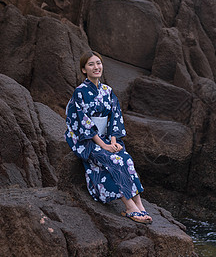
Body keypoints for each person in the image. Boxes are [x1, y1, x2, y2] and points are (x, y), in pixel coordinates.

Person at [65, 51, 152, 224]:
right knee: (113, 160)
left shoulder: (107, 91)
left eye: (98, 63)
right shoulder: (80, 92)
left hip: (106, 137)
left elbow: (115, 117)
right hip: (87, 139)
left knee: (126, 158)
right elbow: (83, 122)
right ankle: (129, 207)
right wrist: (103, 146)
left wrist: (113, 141)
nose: (96, 67)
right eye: (91, 64)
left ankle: (139, 203)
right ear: (84, 70)